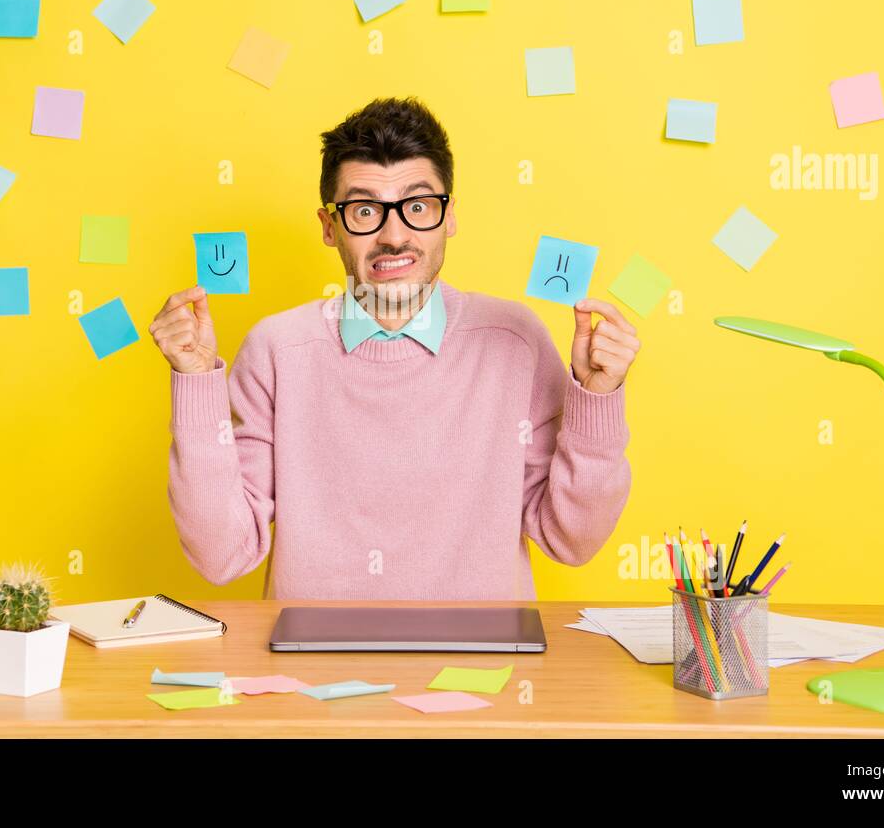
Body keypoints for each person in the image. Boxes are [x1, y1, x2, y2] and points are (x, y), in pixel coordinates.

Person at [151, 96, 639, 599]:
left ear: (449, 217)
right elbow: (221, 554)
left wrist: (598, 397)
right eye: (364, 210)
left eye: (418, 206)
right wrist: (195, 382)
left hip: (482, 664)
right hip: (315, 667)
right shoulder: (277, 351)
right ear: (328, 226)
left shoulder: (514, 342)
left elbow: (572, 541)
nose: (394, 235)